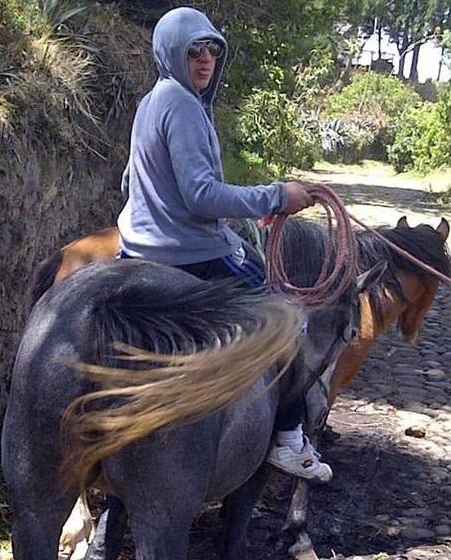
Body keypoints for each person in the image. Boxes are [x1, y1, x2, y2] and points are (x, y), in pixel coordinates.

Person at [116, 6, 331, 483]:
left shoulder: (151, 102)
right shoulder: (185, 107)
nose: (206, 58)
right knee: (289, 319)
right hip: (190, 255)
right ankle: (289, 439)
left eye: (212, 48)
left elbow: (130, 180)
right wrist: (276, 196)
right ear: (173, 53)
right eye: (194, 50)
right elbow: (201, 195)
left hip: (134, 252)